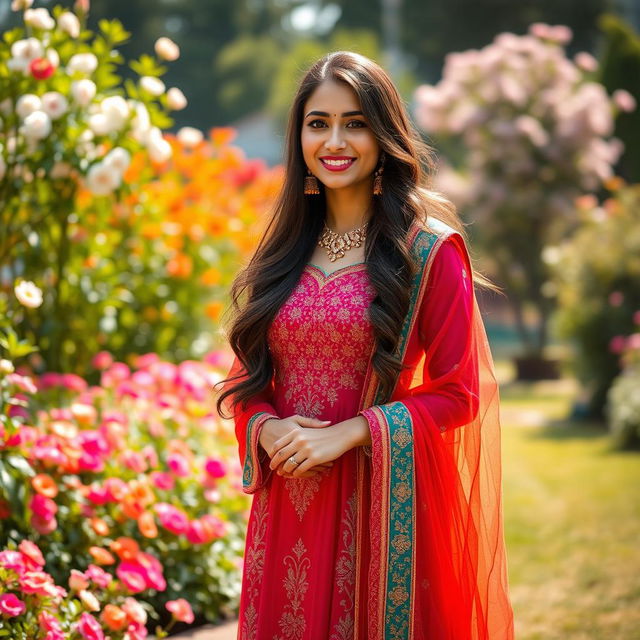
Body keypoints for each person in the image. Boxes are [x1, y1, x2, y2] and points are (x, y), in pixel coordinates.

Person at [215, 50, 514, 640]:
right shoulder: (283, 251)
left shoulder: (427, 251)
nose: (335, 140)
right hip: (285, 514)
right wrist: (265, 427)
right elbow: (244, 379)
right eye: (318, 122)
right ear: (298, 133)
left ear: (384, 134)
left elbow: (460, 392)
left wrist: (350, 433)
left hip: (379, 512)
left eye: (355, 122)